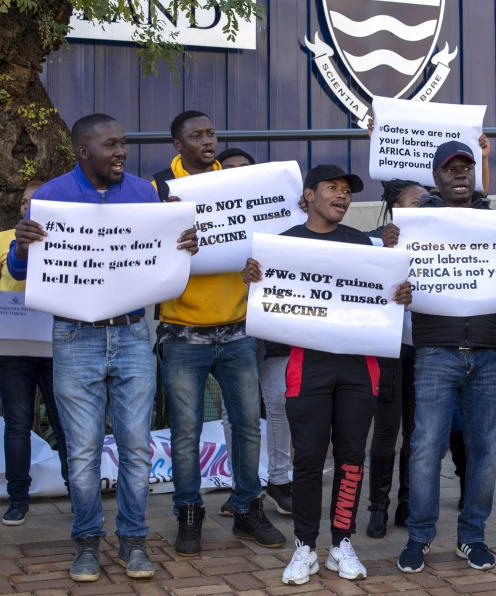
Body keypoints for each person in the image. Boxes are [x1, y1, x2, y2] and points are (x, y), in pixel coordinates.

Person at [5, 113, 198, 581]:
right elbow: (20, 270)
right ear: (82, 151)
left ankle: (133, 541)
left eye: (123, 143)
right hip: (75, 337)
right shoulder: (50, 197)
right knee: (83, 451)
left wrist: (185, 246)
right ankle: (87, 543)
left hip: (132, 334)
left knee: (135, 448)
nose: (121, 152)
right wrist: (22, 246)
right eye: (110, 145)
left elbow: (160, 259)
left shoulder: (144, 193)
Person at [242, 164, 412, 585]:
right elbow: (265, 297)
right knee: (308, 459)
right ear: (308, 196)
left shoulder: (364, 245)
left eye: (346, 190)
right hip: (306, 365)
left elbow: (389, 293)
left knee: (352, 457)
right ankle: (304, 546)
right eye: (332, 188)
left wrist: (401, 293)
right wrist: (252, 281)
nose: (341, 195)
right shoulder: (282, 246)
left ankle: (340, 542)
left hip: (361, 365)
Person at [153, 110, 285, 556]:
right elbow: (145, 257)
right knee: (186, 432)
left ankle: (247, 508)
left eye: (211, 133)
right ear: (177, 145)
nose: (208, 141)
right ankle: (188, 513)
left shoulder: (236, 184)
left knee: (248, 425)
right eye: (196, 135)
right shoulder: (158, 191)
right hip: (182, 332)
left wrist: (259, 263)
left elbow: (266, 237)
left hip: (237, 329)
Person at [397, 141, 496, 574]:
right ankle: (420, 537)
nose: (460, 174)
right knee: (425, 448)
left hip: (486, 353)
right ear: (437, 177)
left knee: (485, 451)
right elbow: (390, 276)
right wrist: (392, 253)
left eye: (466, 167)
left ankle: (472, 537)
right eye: (451, 169)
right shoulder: (415, 225)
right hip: (435, 352)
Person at [207, 147, 294, 518]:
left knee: (279, 401)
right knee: (234, 409)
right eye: (230, 170)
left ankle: (281, 479)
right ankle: (242, 483)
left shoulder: (277, 212)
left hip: (274, 320)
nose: (239, 175)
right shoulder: (208, 210)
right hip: (230, 322)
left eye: (246, 170)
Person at [0, 181, 70, 526]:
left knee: (66, 423)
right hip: (13, 345)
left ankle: (79, 493)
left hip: (58, 342)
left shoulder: (68, 239)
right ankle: (18, 498)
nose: (31, 206)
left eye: (39, 201)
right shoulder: (1, 239)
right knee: (17, 423)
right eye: (26, 201)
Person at [366, 179, 424, 538]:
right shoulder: (372, 239)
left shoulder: (440, 237)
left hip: (426, 347)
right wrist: (383, 249)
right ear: (396, 207)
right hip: (388, 348)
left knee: (418, 432)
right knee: (387, 429)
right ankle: (377, 508)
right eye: (416, 202)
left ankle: (408, 503)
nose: (424, 207)